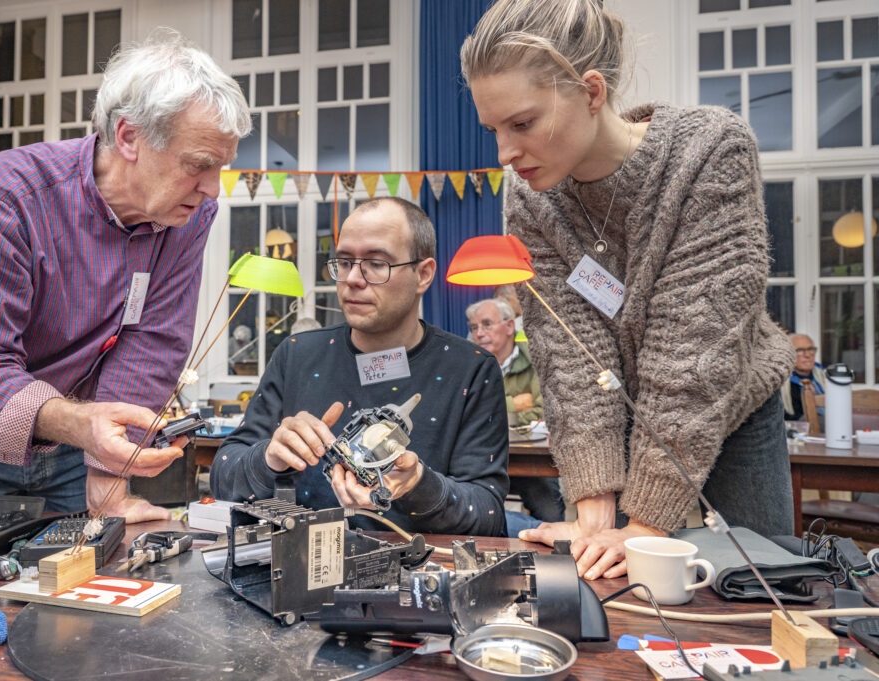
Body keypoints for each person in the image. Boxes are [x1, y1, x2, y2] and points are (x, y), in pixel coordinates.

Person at [460, 0, 795, 578]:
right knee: (601, 587)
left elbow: (693, 355)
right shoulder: (530, 197)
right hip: (611, 417)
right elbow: (570, 353)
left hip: (729, 401)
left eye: (522, 123)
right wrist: (594, 511)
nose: (505, 154)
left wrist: (642, 529)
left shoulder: (708, 152)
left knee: (760, 583)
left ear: (591, 92)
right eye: (494, 129)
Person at [0, 32, 251, 520]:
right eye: (199, 165)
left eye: (222, 168)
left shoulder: (186, 215)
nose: (213, 190)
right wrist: (80, 423)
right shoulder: (10, 193)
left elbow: (150, 346)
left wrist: (110, 483)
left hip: (79, 438)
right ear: (129, 137)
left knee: (75, 580)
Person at [210, 197, 508, 536]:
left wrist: (418, 485)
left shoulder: (471, 369)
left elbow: (488, 514)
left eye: (376, 264)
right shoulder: (297, 354)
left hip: (420, 573)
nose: (353, 278)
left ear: (423, 274)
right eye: (345, 261)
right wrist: (269, 458)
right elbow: (223, 475)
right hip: (301, 568)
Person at [466, 297, 562, 532]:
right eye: (474, 327)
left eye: (487, 324)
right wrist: (515, 404)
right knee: (469, 512)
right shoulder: (468, 362)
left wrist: (492, 412)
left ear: (510, 327)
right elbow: (466, 413)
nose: (479, 333)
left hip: (529, 463)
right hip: (480, 461)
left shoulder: (536, 358)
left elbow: (543, 411)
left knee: (551, 514)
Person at [781, 334, 824, 422]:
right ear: (788, 354)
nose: (807, 355)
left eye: (810, 349)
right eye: (800, 350)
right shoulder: (781, 385)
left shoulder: (826, 378)